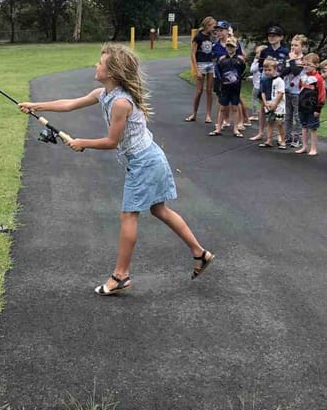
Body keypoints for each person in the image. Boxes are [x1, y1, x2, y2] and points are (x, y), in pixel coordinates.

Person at [18, 43, 214, 295]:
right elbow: (70, 103)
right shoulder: (103, 94)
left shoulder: (121, 102)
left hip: (146, 162)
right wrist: (36, 106)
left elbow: (112, 142)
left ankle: (121, 275)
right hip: (147, 159)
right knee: (159, 209)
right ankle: (200, 253)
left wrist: (82, 143)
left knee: (129, 215)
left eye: (100, 63)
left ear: (112, 72)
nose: (96, 65)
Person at [210, 36, 246, 137]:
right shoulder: (222, 59)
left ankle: (236, 129)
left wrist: (237, 79)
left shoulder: (240, 60)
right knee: (222, 107)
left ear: (236, 47)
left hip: (235, 87)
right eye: (228, 46)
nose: (230, 48)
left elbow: (243, 71)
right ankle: (218, 128)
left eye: (232, 46)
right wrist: (222, 80)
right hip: (225, 87)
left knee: (235, 107)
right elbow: (218, 71)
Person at [185, 16, 216, 123]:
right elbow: (192, 54)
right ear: (207, 25)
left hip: (211, 64)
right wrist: (196, 69)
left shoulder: (213, 36)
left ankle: (208, 115)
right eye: (213, 25)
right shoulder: (198, 37)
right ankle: (194, 113)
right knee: (199, 91)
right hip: (201, 64)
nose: (214, 28)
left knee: (209, 91)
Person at [295, 53, 325, 156]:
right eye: (304, 64)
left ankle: (313, 148)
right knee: (304, 126)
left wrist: (318, 108)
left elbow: (321, 94)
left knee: (313, 127)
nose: (306, 66)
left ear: (316, 65)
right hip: (302, 105)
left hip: (313, 108)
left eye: (309, 64)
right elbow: (300, 89)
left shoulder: (319, 79)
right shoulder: (303, 77)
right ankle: (304, 146)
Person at [283, 34, 308, 148]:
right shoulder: (289, 58)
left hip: (298, 92)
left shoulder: (304, 59)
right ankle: (286, 137)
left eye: (296, 45)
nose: (293, 47)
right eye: (292, 45)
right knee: (287, 115)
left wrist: (292, 61)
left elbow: (296, 71)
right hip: (287, 89)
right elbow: (283, 71)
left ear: (302, 47)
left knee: (297, 116)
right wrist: (291, 63)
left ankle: (297, 138)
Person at [258, 57, 286, 149]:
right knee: (269, 122)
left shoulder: (279, 80)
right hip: (269, 104)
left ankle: (283, 141)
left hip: (279, 106)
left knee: (279, 122)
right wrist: (265, 103)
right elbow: (263, 92)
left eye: (269, 70)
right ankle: (268, 140)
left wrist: (275, 104)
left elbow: (280, 93)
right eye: (265, 70)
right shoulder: (264, 80)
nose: (267, 72)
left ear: (275, 69)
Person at [248, 44, 267, 141]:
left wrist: (257, 61)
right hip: (256, 84)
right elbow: (253, 72)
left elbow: (253, 69)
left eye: (258, 53)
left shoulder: (262, 62)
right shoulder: (256, 61)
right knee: (255, 100)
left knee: (257, 100)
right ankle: (256, 114)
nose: (257, 55)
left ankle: (256, 114)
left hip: (259, 86)